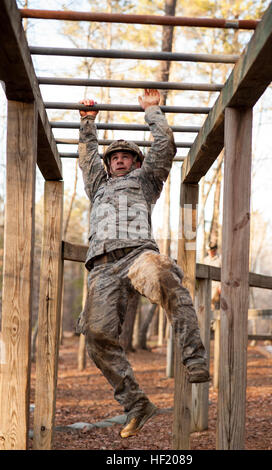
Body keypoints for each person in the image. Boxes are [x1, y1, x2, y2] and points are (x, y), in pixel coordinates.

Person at [76, 89, 209, 439]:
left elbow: (164, 146)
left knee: (166, 276)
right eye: (115, 157)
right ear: (108, 165)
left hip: (138, 255)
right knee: (97, 335)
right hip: (102, 268)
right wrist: (87, 122)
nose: (119, 160)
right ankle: (135, 403)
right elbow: (87, 156)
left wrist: (152, 110)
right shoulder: (99, 187)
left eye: (126, 156)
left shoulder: (146, 181)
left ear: (136, 163)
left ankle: (194, 356)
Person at [204, 241, 221, 310]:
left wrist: (221, 286)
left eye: (212, 250)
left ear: (215, 250)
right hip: (207, 286)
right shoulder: (205, 260)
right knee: (207, 304)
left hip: (216, 287)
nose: (210, 252)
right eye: (209, 250)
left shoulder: (220, 260)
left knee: (213, 303)